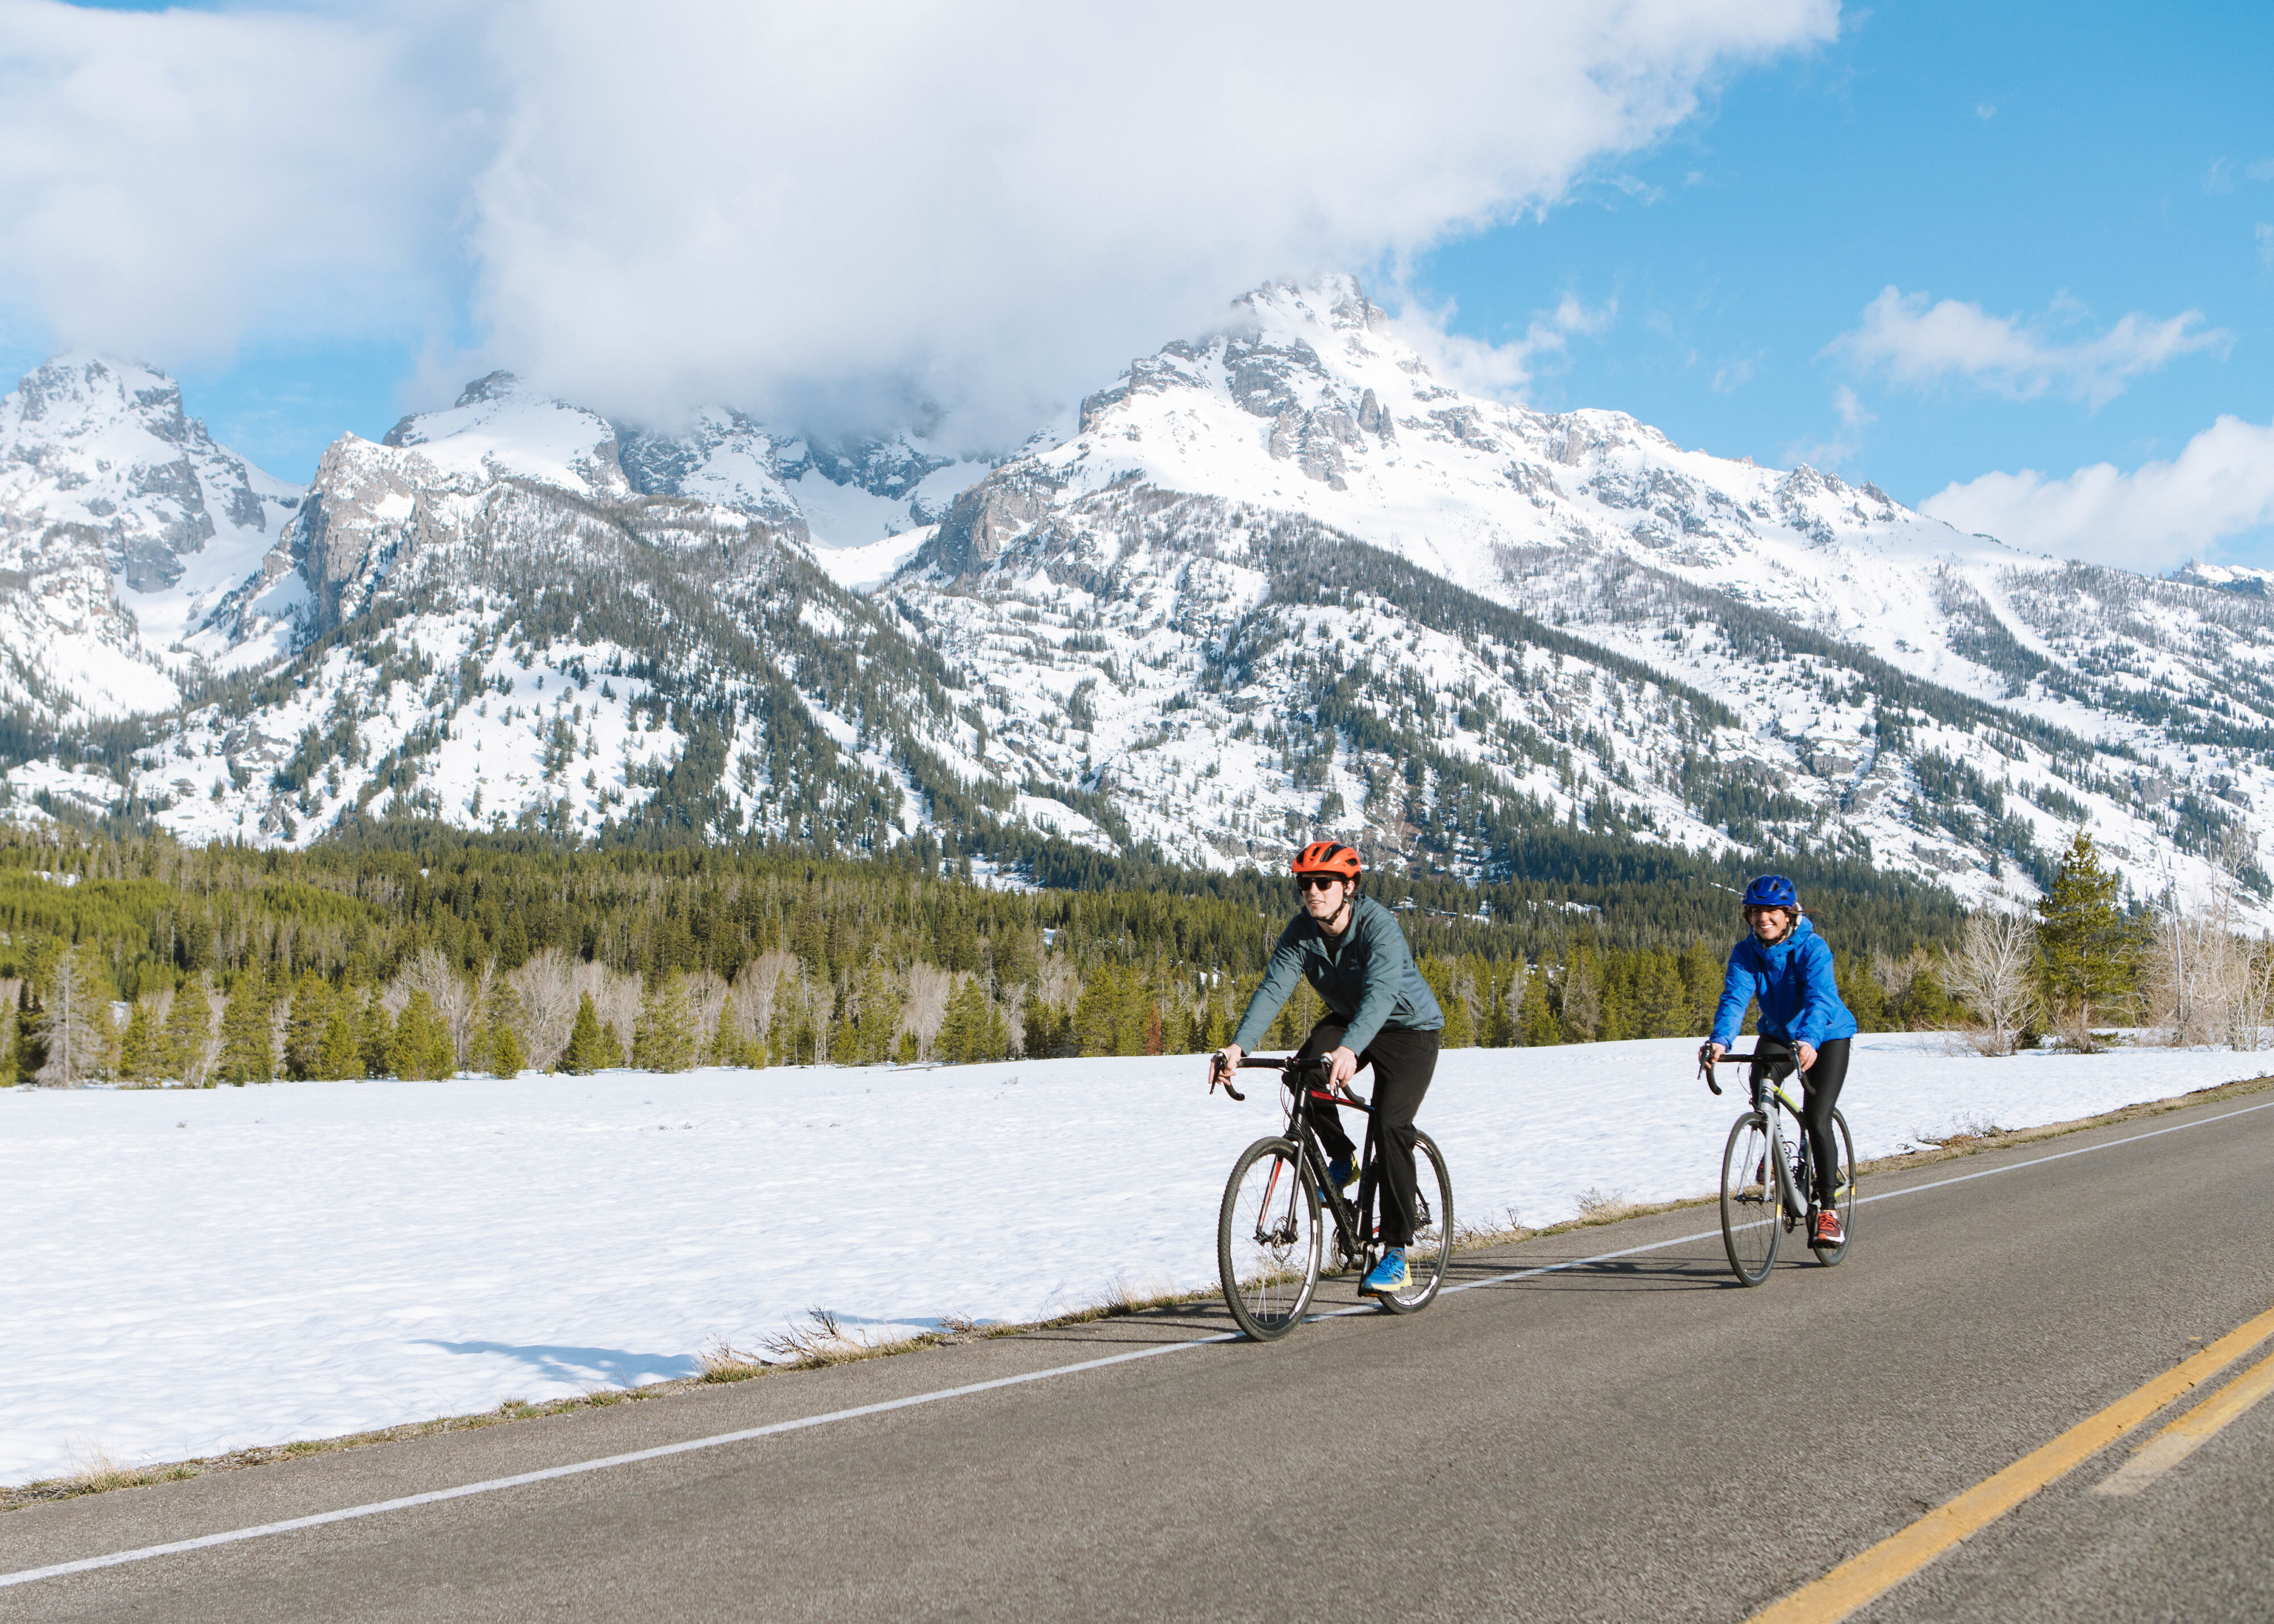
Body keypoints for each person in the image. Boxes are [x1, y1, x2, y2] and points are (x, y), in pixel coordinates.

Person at [1215, 841, 1445, 1296]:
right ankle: (1342, 1160)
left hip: (1409, 1031)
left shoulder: (1378, 926)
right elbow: (1273, 988)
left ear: (1349, 887)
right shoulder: (1302, 931)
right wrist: (1239, 1046)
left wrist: (1352, 1048)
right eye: (1305, 884)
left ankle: (1397, 1251)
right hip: (1352, 1022)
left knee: (1390, 1123)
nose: (1312, 892)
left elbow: (1380, 994)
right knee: (1302, 1070)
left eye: (1323, 883)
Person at [1702, 874, 1858, 1246]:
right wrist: (1719, 1041)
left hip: (1827, 1033)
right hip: (1779, 1033)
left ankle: (1828, 1210)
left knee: (1818, 1115)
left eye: (1771, 910)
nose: (1763, 918)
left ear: (1788, 914)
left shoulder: (1813, 948)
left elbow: (1821, 999)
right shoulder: (1746, 953)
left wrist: (1810, 1039)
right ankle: (1775, 1149)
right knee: (1761, 1088)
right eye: (1755, 911)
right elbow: (1735, 999)